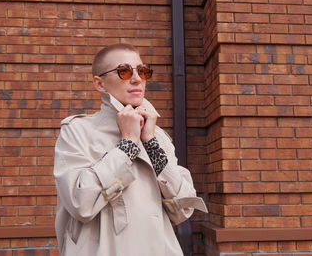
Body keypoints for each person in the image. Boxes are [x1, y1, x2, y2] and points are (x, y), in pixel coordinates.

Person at [54, 43, 207, 256]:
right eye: (124, 71)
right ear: (99, 84)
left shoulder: (158, 136)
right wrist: (127, 143)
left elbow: (183, 210)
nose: (137, 79)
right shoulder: (78, 131)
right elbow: (81, 204)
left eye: (142, 71)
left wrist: (150, 142)